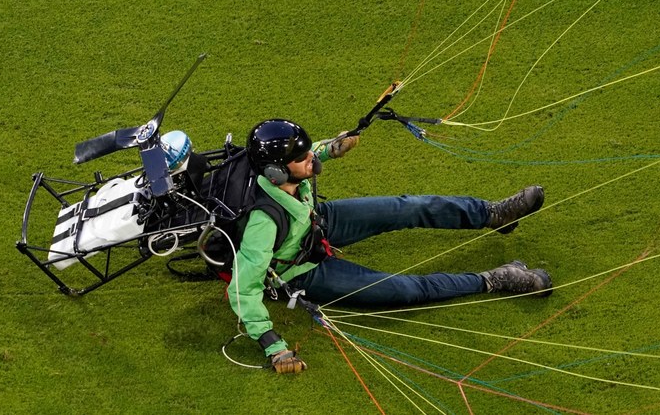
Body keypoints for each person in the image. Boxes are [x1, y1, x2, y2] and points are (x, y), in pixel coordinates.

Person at [227, 118, 552, 375]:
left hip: (317, 221)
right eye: (303, 157)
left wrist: (331, 149)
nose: (311, 156)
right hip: (304, 271)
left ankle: (493, 214)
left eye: (310, 149)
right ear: (276, 171)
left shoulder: (284, 176)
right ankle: (496, 279)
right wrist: (274, 346)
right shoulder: (263, 223)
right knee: (403, 291)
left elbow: (311, 156)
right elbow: (242, 289)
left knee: (406, 207)